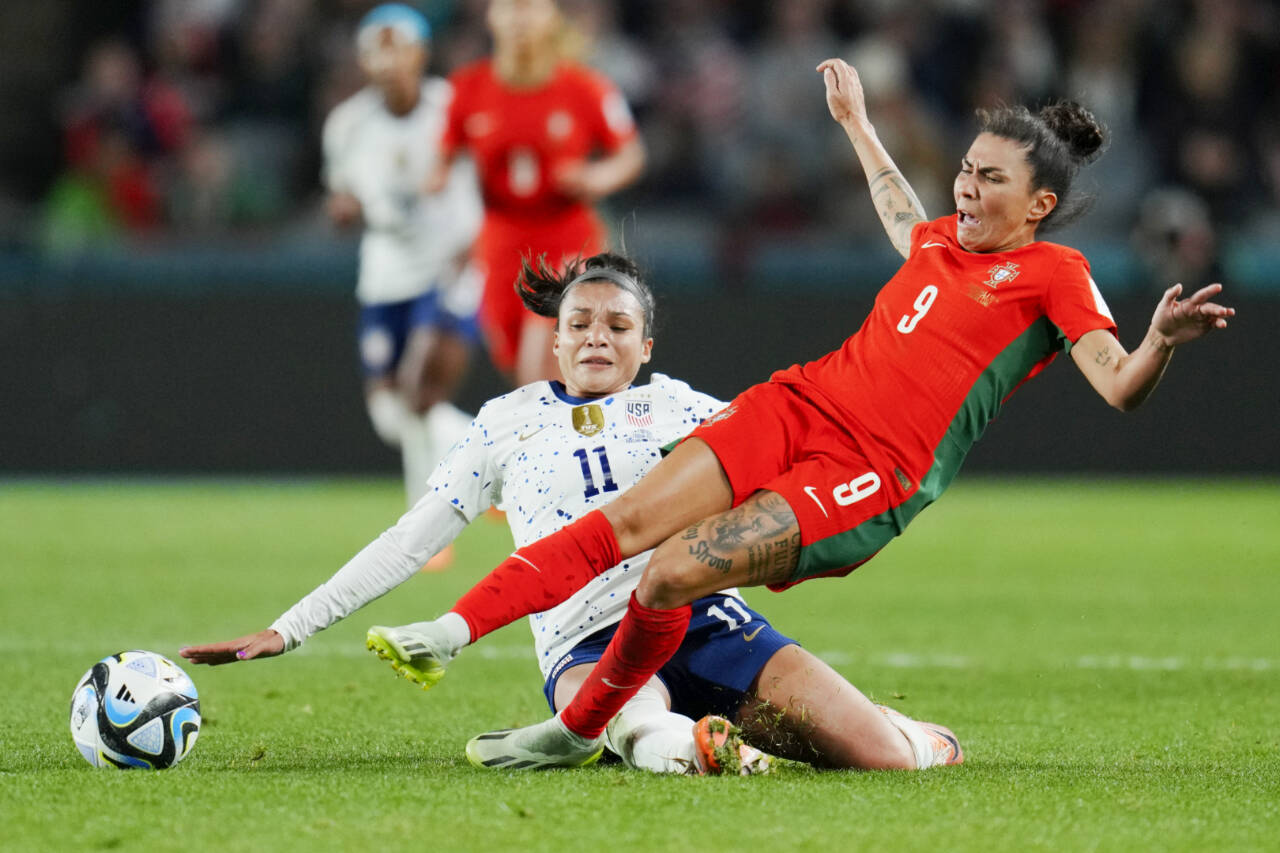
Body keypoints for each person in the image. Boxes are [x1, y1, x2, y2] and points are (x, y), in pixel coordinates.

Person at [378, 58, 1236, 770]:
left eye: (990, 179)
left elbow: (1120, 385)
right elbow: (903, 209)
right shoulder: (941, 241)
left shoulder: (1056, 274)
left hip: (870, 473)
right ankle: (472, 649)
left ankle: (909, 740)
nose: (966, 188)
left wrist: (1160, 339)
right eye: (967, 169)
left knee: (674, 572)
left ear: (1038, 205)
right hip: (799, 403)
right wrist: (857, 123)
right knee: (630, 521)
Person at [179, 251, 957, 775]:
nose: (596, 337)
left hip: (713, 621)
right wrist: (290, 627)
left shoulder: (685, 409)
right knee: (643, 727)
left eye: (617, 326)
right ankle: (705, 747)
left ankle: (903, 732)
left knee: (881, 758)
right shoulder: (504, 422)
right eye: (580, 324)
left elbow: (794, 469)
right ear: (553, 343)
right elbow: (409, 540)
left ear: (645, 345)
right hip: (585, 641)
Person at [431, 0, 646, 388]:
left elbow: (629, 153)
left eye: (529, 7)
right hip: (500, 244)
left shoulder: (584, 86)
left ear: (550, 16)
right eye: (510, 8)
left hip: (566, 236)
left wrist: (597, 176)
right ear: (491, 16)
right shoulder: (466, 89)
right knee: (523, 379)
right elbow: (440, 163)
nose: (519, 19)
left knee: (545, 362)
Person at [322, 4, 484, 508]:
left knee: (418, 391)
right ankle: (495, 453)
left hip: (452, 262)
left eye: (399, 47)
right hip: (385, 272)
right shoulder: (348, 124)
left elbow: (489, 174)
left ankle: (425, 526)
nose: (389, 61)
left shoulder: (453, 107)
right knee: (392, 418)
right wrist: (343, 209)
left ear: (421, 53)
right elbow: (341, 196)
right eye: (378, 49)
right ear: (364, 60)